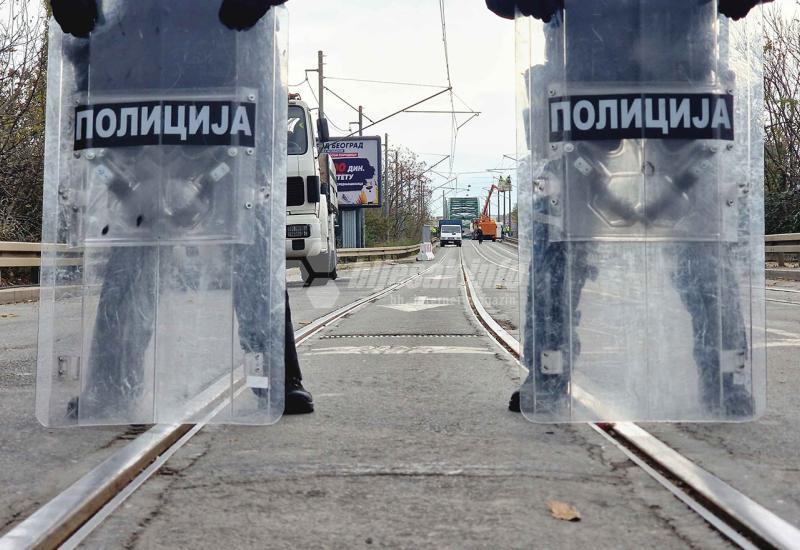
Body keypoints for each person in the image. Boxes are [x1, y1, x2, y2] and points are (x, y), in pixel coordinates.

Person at [488, 0, 771, 416]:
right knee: (559, 246)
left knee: (704, 249)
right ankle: (549, 373)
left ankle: (726, 377)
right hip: (597, 96)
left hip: (675, 94)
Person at [50, 0, 313, 418]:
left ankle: (277, 374)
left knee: (250, 233)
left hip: (229, 72)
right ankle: (111, 383)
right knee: (133, 238)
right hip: (132, 74)